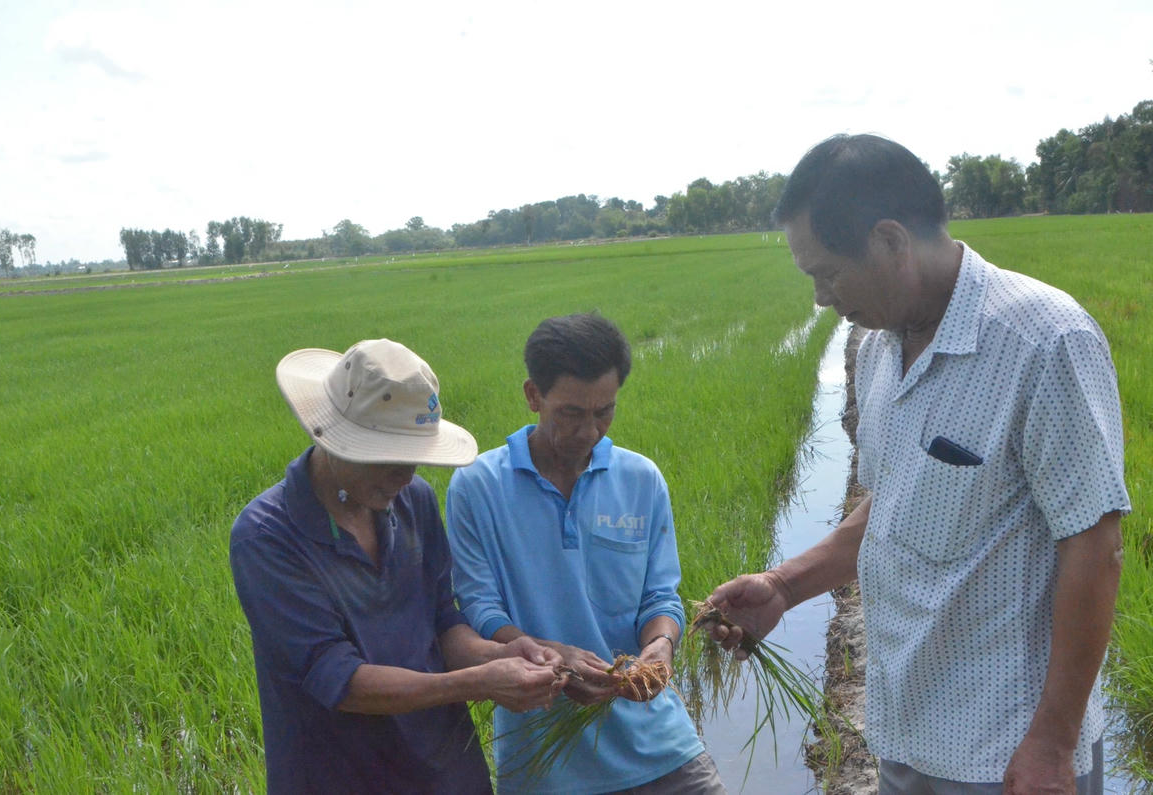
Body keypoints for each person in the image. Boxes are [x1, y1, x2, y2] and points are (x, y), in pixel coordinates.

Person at [705, 134, 1131, 795]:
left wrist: (1052, 741)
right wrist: (784, 586)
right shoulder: (878, 350)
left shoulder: (1045, 341)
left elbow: (1094, 543)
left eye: (827, 273)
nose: (820, 298)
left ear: (890, 241)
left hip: (1008, 753)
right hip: (907, 735)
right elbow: (893, 502)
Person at [230, 338, 564, 794]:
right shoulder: (268, 536)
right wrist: (479, 682)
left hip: (446, 772)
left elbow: (443, 623)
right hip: (340, 778)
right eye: (387, 458)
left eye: (415, 459)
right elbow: (343, 682)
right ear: (333, 439)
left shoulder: (414, 501)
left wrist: (502, 654)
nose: (405, 476)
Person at [446, 313, 726, 794]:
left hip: (660, 746)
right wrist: (553, 655)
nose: (590, 431)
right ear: (533, 395)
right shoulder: (478, 486)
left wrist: (660, 647)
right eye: (572, 413)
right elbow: (479, 607)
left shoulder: (641, 480)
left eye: (605, 411)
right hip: (544, 760)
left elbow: (660, 596)